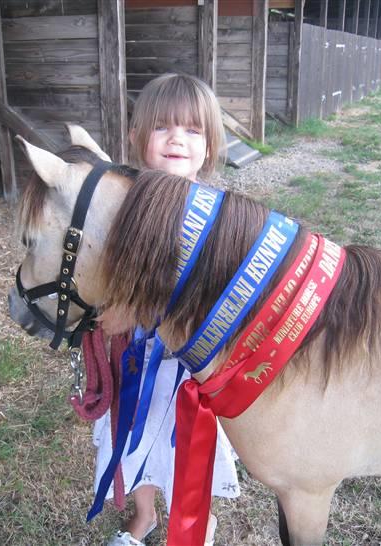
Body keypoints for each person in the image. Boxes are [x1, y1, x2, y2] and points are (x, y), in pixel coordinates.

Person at [93, 73, 240, 546]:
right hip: (133, 363)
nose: (177, 138)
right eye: (162, 127)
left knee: (188, 448)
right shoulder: (124, 206)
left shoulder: (224, 215)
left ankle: (199, 520)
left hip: (190, 372)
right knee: (131, 439)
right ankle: (144, 515)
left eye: (193, 130)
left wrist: (139, 313)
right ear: (137, 138)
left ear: (211, 144)